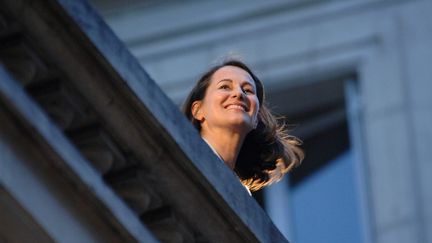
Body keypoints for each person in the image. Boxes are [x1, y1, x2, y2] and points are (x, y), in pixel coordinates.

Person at [183, 59, 303, 193]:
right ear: (198, 110)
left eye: (248, 90)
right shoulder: (181, 158)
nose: (239, 93)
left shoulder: (242, 194)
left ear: (255, 119)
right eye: (225, 87)